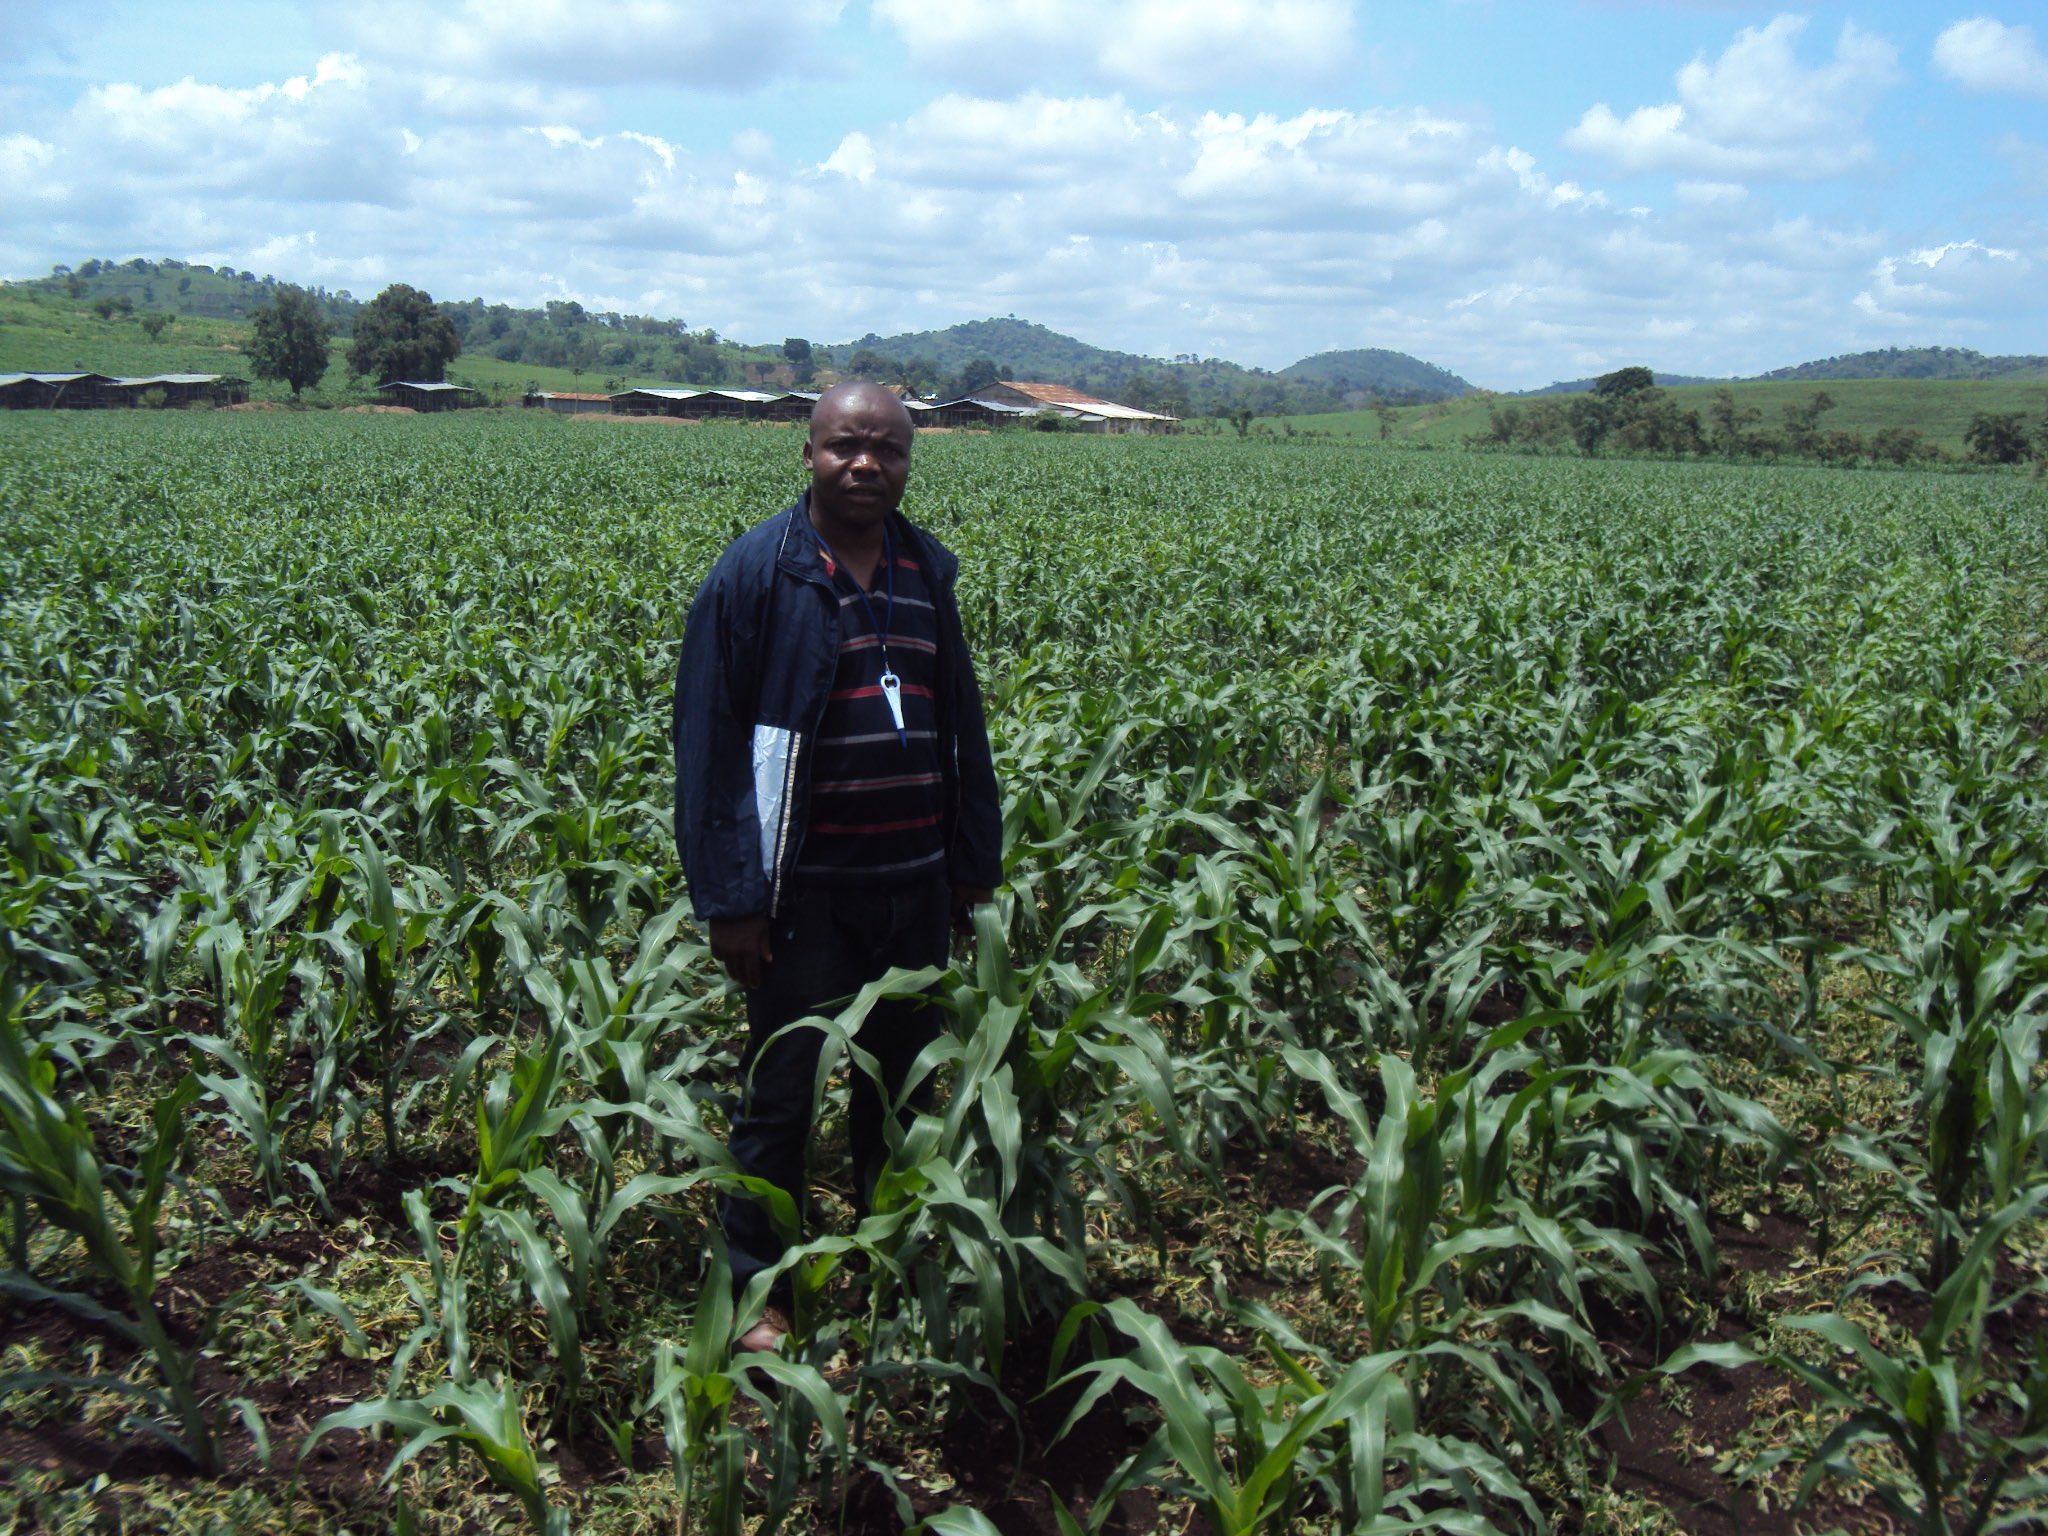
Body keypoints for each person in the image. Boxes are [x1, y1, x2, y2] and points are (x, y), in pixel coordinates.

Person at [672, 382, 1001, 1354]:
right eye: (846, 446)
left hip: (912, 887)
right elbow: (709, 748)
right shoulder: (755, 577)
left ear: (908, 459)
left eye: (887, 450)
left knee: (896, 1093)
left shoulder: (923, 572)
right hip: (803, 894)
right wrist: (732, 900)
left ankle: (888, 1258)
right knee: (782, 1093)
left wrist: (971, 865)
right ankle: (758, 1290)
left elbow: (962, 729)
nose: (867, 465)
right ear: (806, 452)